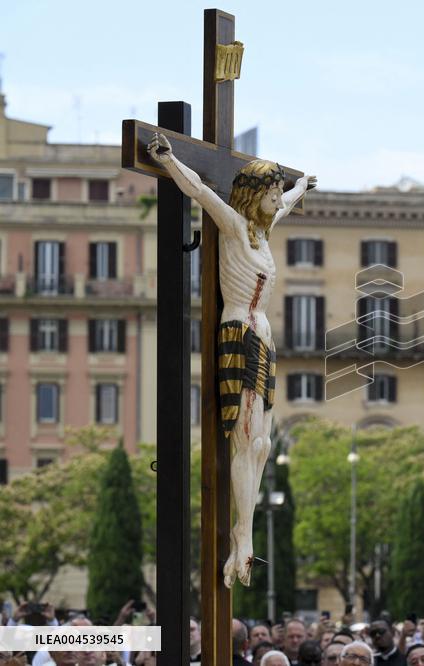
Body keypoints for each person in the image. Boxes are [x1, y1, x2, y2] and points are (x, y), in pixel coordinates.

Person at [147, 131, 316, 588]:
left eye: (279, 191)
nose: (277, 198)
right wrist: (167, 160)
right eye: (272, 190)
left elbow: (285, 205)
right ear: (252, 194)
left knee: (262, 445)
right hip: (238, 330)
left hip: (262, 335)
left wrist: (302, 188)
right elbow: (199, 190)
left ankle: (247, 531)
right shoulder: (236, 226)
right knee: (244, 436)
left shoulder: (263, 230)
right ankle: (242, 535)